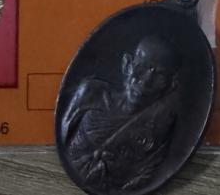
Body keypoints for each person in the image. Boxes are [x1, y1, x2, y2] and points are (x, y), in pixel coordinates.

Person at [61, 36, 180, 191]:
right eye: (141, 66)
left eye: (159, 75)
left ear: (170, 85)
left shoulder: (159, 125)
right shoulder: (92, 93)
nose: (146, 81)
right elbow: (62, 138)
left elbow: (144, 177)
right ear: (127, 65)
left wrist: (118, 169)